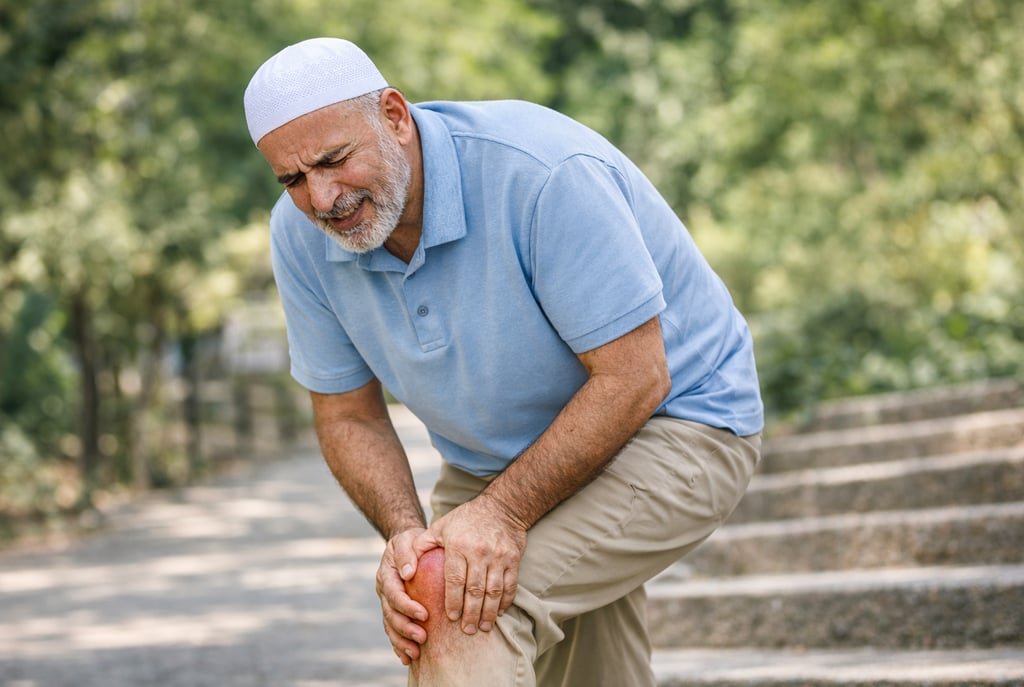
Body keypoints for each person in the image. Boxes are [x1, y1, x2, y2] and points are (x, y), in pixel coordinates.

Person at [243, 37, 764, 687]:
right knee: (445, 587)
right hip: (497, 460)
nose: (322, 199)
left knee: (452, 604)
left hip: (676, 421)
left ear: (395, 116)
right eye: (293, 179)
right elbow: (349, 416)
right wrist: (404, 534)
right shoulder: (299, 235)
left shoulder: (541, 171)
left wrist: (504, 515)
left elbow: (636, 376)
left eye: (334, 160)